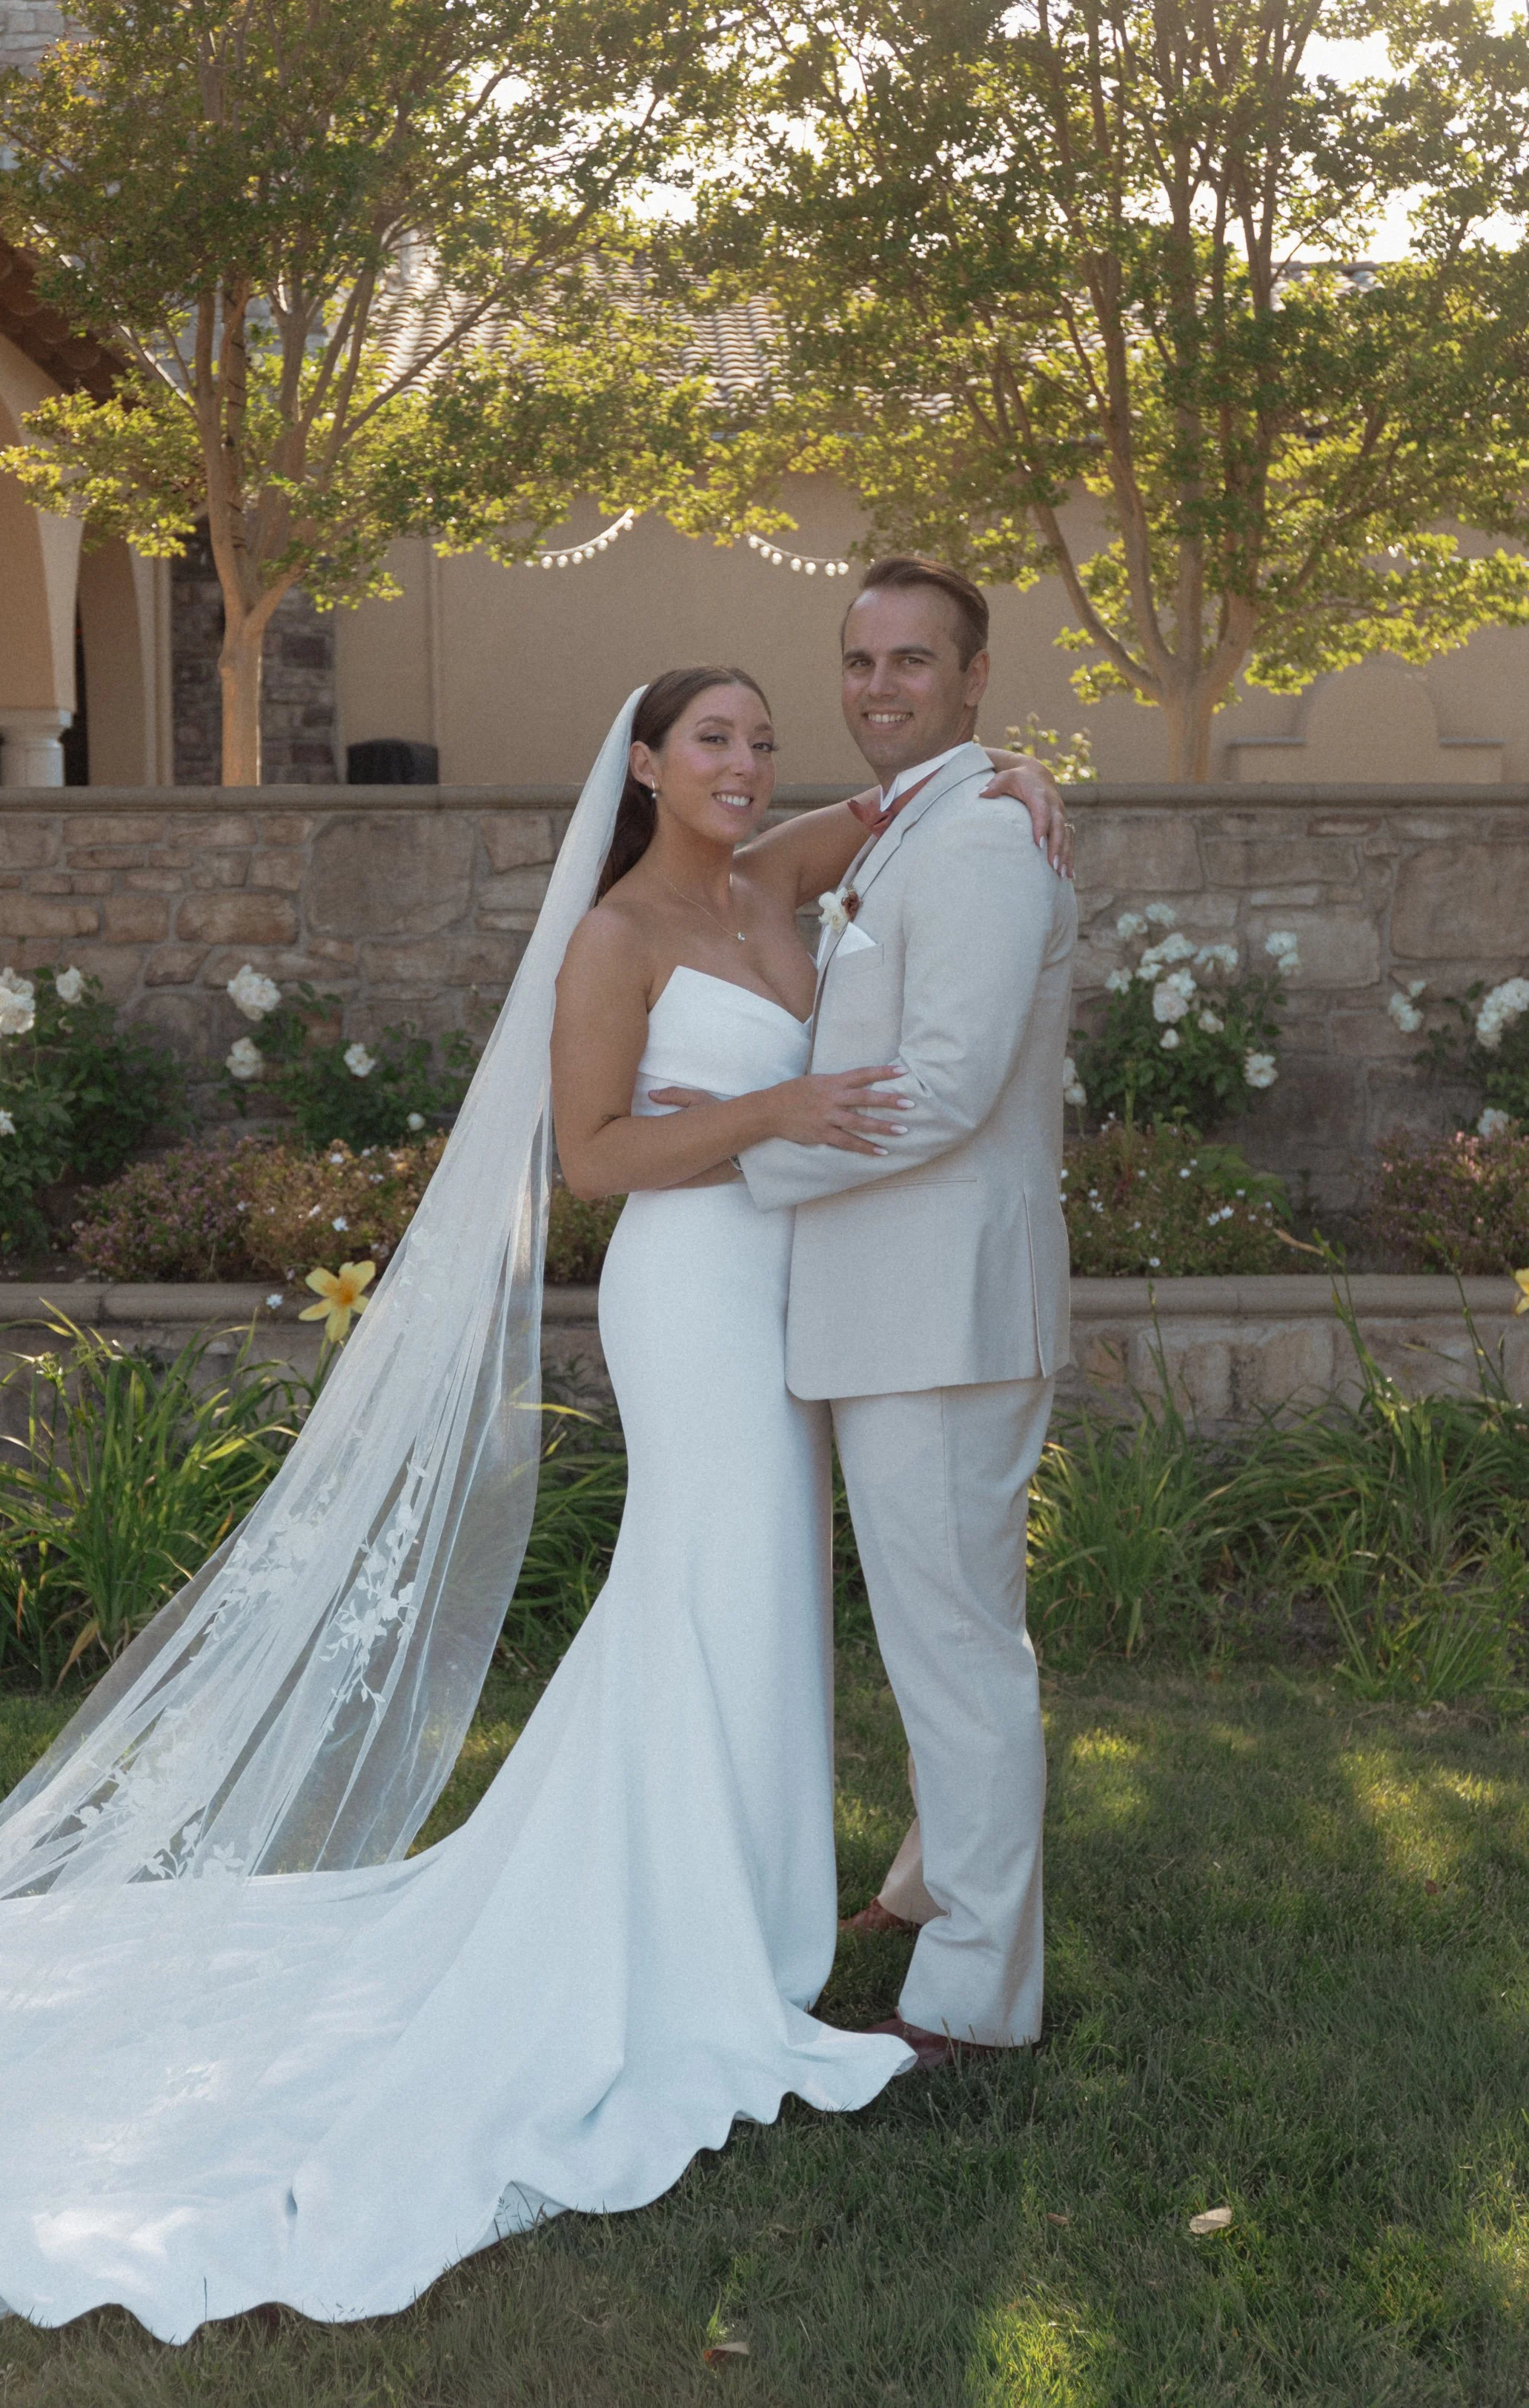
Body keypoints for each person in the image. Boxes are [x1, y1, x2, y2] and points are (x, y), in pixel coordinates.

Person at [0, 665, 1067, 2352]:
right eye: (715, 743)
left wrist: (1027, 766)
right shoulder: (616, 935)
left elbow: (920, 799)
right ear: (650, 769)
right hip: (692, 1289)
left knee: (753, 1597)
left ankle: (748, 1894)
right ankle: (686, 1921)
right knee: (712, 1573)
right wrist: (773, 1109)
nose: (749, 764)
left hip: (796, 1285)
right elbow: (594, 1156)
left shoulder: (779, 870)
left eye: (761, 737)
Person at [734, 558, 1079, 2069]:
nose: (881, 686)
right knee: (947, 1632)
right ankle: (934, 1882)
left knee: (958, 1649)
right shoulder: (923, 815)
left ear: (974, 674)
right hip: (896, 1307)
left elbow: (944, 1087)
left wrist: (727, 1149)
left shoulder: (990, 838)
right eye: (861, 659)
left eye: (914, 661)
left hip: (944, 1313)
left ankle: (977, 1995)